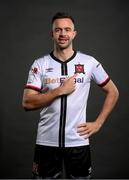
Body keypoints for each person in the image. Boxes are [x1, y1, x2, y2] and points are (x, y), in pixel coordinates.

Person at [22, 12, 119, 179]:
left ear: (74, 33)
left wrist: (98, 123)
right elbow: (27, 103)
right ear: (51, 34)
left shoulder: (89, 62)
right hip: (46, 143)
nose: (63, 34)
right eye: (58, 30)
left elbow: (113, 91)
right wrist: (59, 90)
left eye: (67, 29)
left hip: (78, 143)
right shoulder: (40, 64)